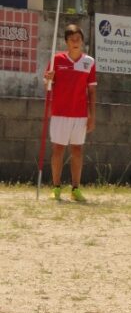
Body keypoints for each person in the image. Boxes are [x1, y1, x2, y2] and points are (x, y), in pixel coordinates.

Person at [43, 24, 97, 202]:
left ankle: (75, 189)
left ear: (82, 41)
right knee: (58, 149)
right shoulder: (56, 59)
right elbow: (47, 84)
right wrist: (49, 79)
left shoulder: (89, 62)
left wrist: (92, 115)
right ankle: (56, 187)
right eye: (72, 39)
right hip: (59, 112)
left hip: (80, 114)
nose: (76, 42)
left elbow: (92, 91)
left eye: (78, 39)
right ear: (66, 42)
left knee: (77, 150)